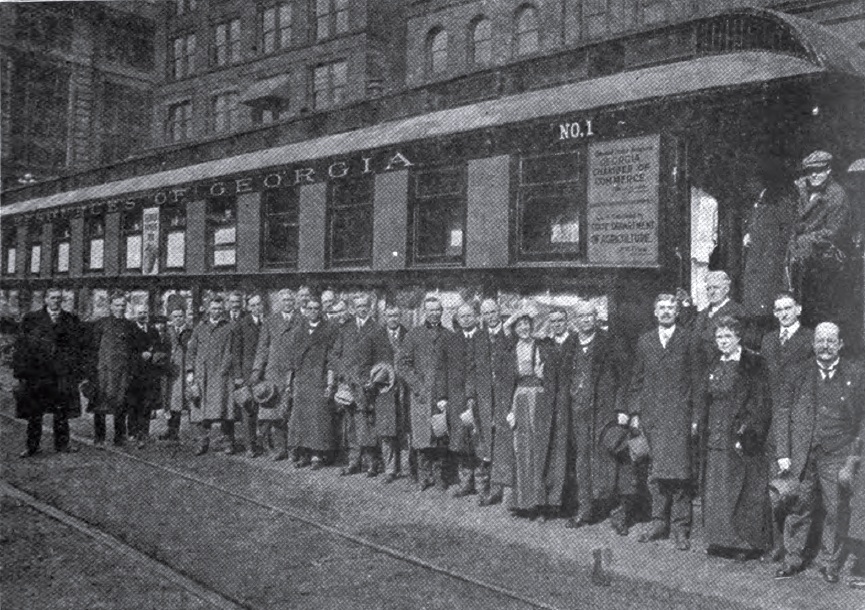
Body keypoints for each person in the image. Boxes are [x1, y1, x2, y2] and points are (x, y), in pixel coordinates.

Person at [773, 322, 865, 582]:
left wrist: (854, 453)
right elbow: (783, 411)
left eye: (831, 341)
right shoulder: (797, 372)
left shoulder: (856, 373)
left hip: (837, 451)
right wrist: (783, 452)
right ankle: (793, 559)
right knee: (798, 505)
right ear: (813, 344)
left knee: (836, 509)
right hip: (803, 452)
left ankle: (829, 563)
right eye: (820, 341)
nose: (825, 346)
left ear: (840, 344)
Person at [628, 293, 698, 551]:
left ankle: (680, 527)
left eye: (671, 308)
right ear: (655, 312)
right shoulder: (645, 341)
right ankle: (659, 522)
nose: (666, 311)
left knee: (680, 474)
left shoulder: (688, 339)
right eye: (662, 308)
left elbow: (697, 380)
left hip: (679, 416)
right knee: (655, 473)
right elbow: (637, 379)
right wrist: (635, 412)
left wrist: (695, 418)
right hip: (652, 417)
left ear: (677, 313)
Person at [698, 316, 772, 560]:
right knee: (717, 490)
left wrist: (747, 431)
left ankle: (744, 544)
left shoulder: (753, 362)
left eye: (728, 336)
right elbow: (705, 398)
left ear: (738, 337)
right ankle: (720, 540)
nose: (723, 341)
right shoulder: (714, 362)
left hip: (740, 436)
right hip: (715, 436)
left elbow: (760, 401)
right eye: (719, 337)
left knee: (741, 489)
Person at [546, 300, 619, 527]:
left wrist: (620, 409)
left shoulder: (609, 342)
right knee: (582, 462)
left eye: (589, 315)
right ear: (575, 321)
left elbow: (622, 377)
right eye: (581, 316)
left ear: (596, 318)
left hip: (603, 412)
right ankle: (585, 509)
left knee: (607, 460)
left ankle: (616, 512)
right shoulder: (571, 344)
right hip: (577, 412)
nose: (586, 320)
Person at [759, 292, 813, 561]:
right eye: (778, 309)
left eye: (787, 308)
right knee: (775, 487)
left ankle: (795, 548)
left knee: (796, 489)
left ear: (798, 309)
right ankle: (777, 543)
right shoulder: (768, 340)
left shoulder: (810, 339)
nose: (783, 314)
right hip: (772, 420)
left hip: (798, 420)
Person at [491, 310, 553, 517]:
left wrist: (544, 375)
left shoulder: (542, 345)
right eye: (519, 325)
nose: (524, 328)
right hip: (519, 400)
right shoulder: (510, 350)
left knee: (539, 449)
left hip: (539, 399)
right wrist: (509, 409)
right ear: (514, 329)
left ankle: (541, 504)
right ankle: (524, 503)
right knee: (521, 449)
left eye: (526, 323)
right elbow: (505, 380)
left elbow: (551, 373)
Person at [13, 288, 88, 456]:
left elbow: (79, 347)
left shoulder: (71, 319)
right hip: (38, 374)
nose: (56, 301)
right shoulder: (31, 318)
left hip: (61, 375)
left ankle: (62, 445)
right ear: (45, 299)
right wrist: (20, 373)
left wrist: (77, 372)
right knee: (35, 413)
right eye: (53, 298)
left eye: (59, 298)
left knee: (62, 412)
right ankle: (32, 447)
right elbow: (21, 346)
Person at [786, 151, 854, 329]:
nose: (814, 175)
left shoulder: (836, 195)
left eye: (819, 170)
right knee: (797, 303)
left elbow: (833, 231)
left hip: (824, 260)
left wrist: (805, 239)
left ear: (828, 170)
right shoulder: (803, 191)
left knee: (819, 309)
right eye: (810, 171)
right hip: (801, 258)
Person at [397, 297, 450, 492]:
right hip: (420, 395)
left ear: (442, 311)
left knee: (441, 435)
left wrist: (446, 394)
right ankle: (423, 475)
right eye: (430, 310)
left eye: (437, 310)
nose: (434, 313)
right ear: (424, 312)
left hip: (441, 395)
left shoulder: (449, 336)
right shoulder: (414, 334)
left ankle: (440, 475)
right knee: (421, 437)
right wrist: (417, 386)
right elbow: (403, 364)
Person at [331, 293, 386, 476]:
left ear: (370, 307)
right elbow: (334, 355)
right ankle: (353, 462)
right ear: (353, 309)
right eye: (358, 306)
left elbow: (382, 358)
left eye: (364, 306)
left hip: (367, 385)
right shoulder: (345, 329)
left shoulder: (377, 329)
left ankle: (372, 463)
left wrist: (373, 379)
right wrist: (344, 373)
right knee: (350, 424)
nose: (361, 309)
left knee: (367, 424)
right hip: (348, 384)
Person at [286, 296, 337, 469]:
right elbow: (292, 359)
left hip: (319, 379)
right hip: (302, 380)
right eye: (310, 308)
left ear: (321, 310)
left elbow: (332, 360)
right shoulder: (298, 331)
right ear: (306, 311)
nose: (313, 311)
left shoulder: (329, 330)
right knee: (301, 418)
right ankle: (304, 454)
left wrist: (330, 384)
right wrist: (289, 383)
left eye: (316, 308)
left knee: (318, 418)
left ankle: (317, 455)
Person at [186, 297, 238, 456]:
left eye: (220, 308)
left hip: (222, 375)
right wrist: (190, 371)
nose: (217, 311)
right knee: (199, 410)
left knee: (226, 409)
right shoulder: (200, 328)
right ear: (208, 309)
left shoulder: (229, 327)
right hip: (202, 375)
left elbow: (233, 351)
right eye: (214, 308)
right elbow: (191, 351)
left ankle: (228, 442)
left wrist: (225, 368)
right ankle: (202, 442)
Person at [250, 289, 297, 461]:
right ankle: (280, 448)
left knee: (294, 412)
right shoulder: (270, 321)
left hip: (295, 371)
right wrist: (257, 371)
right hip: (274, 372)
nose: (287, 303)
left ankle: (295, 449)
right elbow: (262, 348)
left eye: (290, 300)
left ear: (294, 302)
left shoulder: (302, 320)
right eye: (284, 300)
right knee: (276, 413)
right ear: (279, 302)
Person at [90, 290, 138, 448]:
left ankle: (119, 437)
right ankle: (99, 438)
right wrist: (92, 372)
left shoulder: (130, 326)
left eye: (123, 305)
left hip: (123, 371)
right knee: (101, 405)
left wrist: (131, 371)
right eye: (117, 305)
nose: (120, 308)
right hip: (104, 371)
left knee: (121, 404)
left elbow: (134, 351)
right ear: (111, 306)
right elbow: (93, 349)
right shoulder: (101, 324)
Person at [476, 298, 510, 506]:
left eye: (493, 312)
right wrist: (471, 396)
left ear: (499, 312)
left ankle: (504, 490)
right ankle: (487, 488)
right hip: (484, 398)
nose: (490, 316)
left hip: (505, 396)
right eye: (486, 313)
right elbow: (472, 367)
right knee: (486, 442)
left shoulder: (509, 334)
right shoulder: (479, 337)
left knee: (503, 442)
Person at [128, 303, 168, 448]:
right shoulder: (130, 330)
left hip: (149, 372)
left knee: (147, 404)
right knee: (134, 403)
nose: (143, 315)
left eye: (145, 312)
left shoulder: (152, 331)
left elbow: (158, 347)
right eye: (140, 313)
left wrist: (152, 354)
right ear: (135, 314)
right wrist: (140, 355)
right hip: (134, 372)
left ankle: (144, 432)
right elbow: (127, 350)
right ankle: (132, 432)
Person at [232, 293, 264, 457]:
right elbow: (236, 352)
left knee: (264, 408)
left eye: (259, 304)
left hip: (265, 372)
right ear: (248, 307)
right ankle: (249, 445)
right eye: (253, 305)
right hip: (247, 373)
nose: (256, 308)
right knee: (248, 409)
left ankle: (264, 442)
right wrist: (238, 375)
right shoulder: (242, 324)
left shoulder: (267, 322)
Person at [379, 304, 409, 483]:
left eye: (396, 315)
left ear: (401, 316)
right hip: (385, 391)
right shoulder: (376, 336)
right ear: (385, 317)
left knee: (405, 428)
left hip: (405, 389)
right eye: (389, 315)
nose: (393, 319)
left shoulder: (409, 335)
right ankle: (390, 469)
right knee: (387, 431)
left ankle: (406, 467)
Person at [160, 299, 191, 442]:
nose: (178, 319)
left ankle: (184, 431)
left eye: (180, 316)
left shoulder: (190, 331)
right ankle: (170, 430)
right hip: (170, 369)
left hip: (184, 369)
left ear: (184, 316)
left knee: (182, 400)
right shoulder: (167, 332)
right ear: (171, 318)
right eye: (175, 316)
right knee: (169, 399)